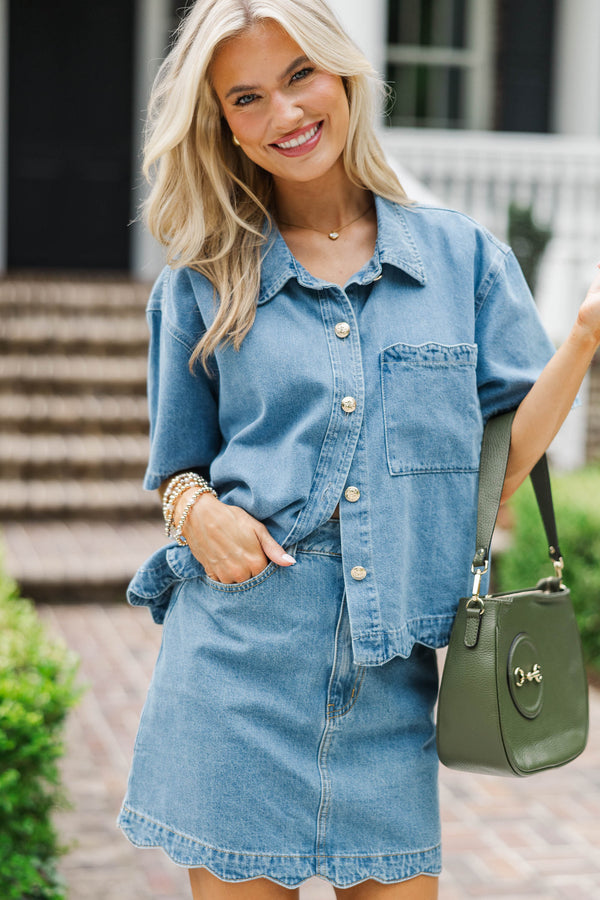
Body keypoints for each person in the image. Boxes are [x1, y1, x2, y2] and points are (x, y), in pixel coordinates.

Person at [117, 1, 600, 897]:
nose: (285, 116)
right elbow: (177, 468)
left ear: (343, 75)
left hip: (392, 685)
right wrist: (198, 514)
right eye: (247, 98)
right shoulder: (203, 278)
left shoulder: (464, 262)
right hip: (237, 674)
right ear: (221, 124)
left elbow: (504, 469)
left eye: (300, 77)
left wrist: (583, 336)